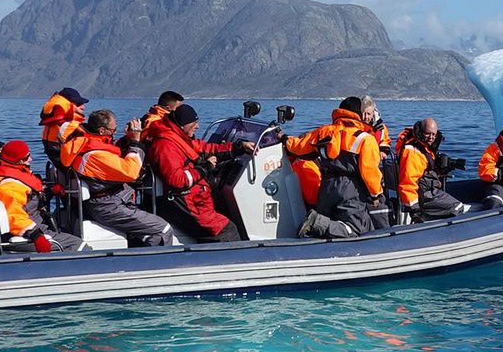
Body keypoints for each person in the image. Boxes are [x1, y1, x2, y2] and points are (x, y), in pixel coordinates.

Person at [59, 109, 175, 247]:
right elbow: (131, 172)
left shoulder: (85, 143)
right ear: (102, 131)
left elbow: (114, 158)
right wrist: (135, 142)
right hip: (107, 205)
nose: (114, 133)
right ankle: (157, 263)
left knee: (145, 229)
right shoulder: (95, 155)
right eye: (113, 130)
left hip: (111, 199)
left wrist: (128, 139)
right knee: (162, 229)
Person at [146, 104, 255, 242]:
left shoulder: (178, 138)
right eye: (194, 123)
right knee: (226, 230)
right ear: (182, 124)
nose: (197, 127)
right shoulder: (166, 146)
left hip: (193, 197)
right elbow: (177, 180)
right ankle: (229, 259)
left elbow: (205, 148)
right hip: (183, 201)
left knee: (224, 209)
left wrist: (238, 147)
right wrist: (204, 169)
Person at [282, 96, 383, 239]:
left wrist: (284, 138)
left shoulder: (323, 132)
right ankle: (315, 221)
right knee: (355, 229)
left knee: (326, 228)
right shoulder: (365, 139)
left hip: (326, 187)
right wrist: (375, 194)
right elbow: (370, 171)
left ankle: (317, 229)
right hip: (350, 189)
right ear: (358, 114)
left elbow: (298, 147)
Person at [0, 140, 85, 252]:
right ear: (18, 161)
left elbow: (27, 200)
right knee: (79, 244)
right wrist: (36, 236)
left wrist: (50, 191)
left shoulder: (0, 174)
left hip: (32, 224)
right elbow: (14, 216)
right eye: (27, 157)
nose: (30, 160)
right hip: (27, 231)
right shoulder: (10, 187)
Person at [393, 118, 466, 222]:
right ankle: (427, 221)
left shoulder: (425, 147)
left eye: (434, 134)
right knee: (457, 207)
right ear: (421, 131)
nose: (431, 138)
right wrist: (415, 210)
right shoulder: (413, 152)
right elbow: (407, 183)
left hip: (428, 191)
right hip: (423, 195)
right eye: (428, 134)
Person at [361, 96, 393, 229]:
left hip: (377, 169)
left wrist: (383, 150)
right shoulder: (356, 126)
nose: (365, 117)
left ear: (373, 113)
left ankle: (383, 226)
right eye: (362, 113)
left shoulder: (381, 127)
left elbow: (386, 140)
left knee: (380, 200)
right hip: (363, 168)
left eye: (368, 113)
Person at [38, 87, 90, 167]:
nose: (83, 107)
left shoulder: (51, 125)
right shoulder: (71, 126)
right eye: (78, 104)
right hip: (74, 169)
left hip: (61, 167)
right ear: (69, 105)